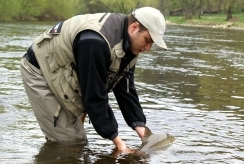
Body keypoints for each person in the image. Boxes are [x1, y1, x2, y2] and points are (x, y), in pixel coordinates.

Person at [20, 6, 167, 153]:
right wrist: (120, 144)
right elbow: (94, 96)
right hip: (41, 69)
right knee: (73, 142)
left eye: (152, 43)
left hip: (72, 69)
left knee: (77, 131)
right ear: (134, 27)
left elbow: (125, 89)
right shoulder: (95, 42)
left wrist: (141, 128)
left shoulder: (129, 44)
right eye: (147, 40)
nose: (148, 48)